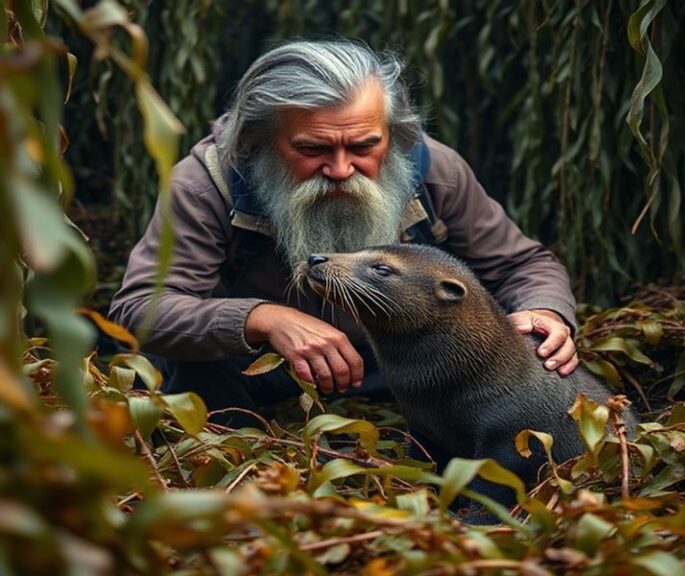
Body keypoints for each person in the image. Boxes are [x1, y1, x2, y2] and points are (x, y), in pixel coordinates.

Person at [109, 38, 579, 428]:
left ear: (390, 134)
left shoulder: (434, 172)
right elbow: (140, 310)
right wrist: (261, 319)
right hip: (257, 376)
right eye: (312, 148)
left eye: (363, 145)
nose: (340, 169)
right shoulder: (206, 183)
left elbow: (524, 264)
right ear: (260, 141)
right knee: (195, 364)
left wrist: (545, 312)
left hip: (398, 375)